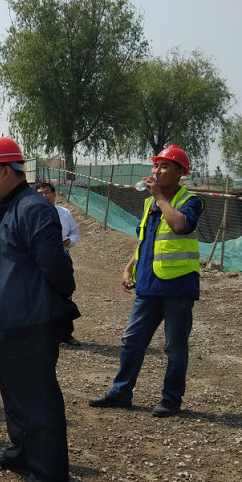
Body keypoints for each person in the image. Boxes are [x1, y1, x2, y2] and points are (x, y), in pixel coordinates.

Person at [0, 137, 76, 482]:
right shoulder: (7, 206)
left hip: (28, 324)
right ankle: (22, 451)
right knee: (14, 395)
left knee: (38, 402)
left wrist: (42, 307)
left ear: (5, 171)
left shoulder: (33, 208)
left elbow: (57, 269)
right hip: (5, 322)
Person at [89, 144, 203, 418]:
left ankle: (171, 400)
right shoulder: (149, 203)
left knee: (174, 346)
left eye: (165, 166)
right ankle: (121, 392)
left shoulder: (190, 201)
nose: (157, 171)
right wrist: (129, 268)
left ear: (181, 172)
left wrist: (160, 198)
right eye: (156, 165)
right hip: (149, 285)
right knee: (132, 340)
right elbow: (145, 241)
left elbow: (180, 226)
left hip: (178, 286)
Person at [36, 181, 81, 346]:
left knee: (65, 295)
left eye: (47, 192)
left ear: (54, 194)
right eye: (40, 193)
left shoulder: (64, 213)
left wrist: (70, 241)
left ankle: (66, 334)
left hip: (62, 258)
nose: (44, 196)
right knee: (40, 296)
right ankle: (41, 335)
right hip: (39, 261)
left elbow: (74, 232)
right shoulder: (31, 214)